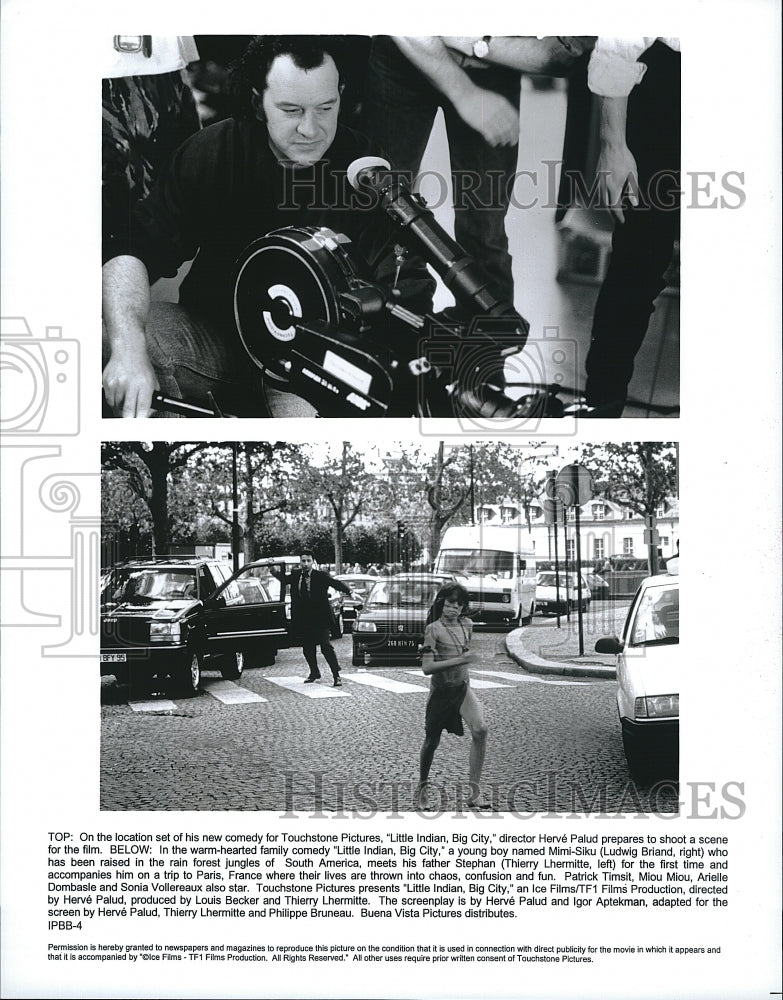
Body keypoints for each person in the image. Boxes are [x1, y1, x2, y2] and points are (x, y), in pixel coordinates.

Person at [102, 35, 434, 418]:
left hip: (311, 371)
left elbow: (410, 290)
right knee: (109, 335)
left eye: (325, 107)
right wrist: (128, 350)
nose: (311, 129)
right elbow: (133, 246)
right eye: (291, 110)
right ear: (258, 101)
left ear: (341, 94)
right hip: (216, 342)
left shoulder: (367, 172)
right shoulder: (214, 150)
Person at [360, 36, 595, 309]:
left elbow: (564, 53)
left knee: (485, 226)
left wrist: (472, 43)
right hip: (405, 49)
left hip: (492, 68)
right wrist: (466, 90)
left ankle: (490, 342)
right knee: (382, 210)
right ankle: (392, 330)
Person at [584, 37, 681, 415]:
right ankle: (602, 410)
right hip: (668, 84)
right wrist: (613, 144)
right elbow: (620, 35)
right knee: (637, 265)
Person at [414, 583, 489, 810]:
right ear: (441, 603)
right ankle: (422, 787)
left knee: (481, 729)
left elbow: (464, 652)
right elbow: (427, 668)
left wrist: (464, 658)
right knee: (431, 741)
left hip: (461, 688)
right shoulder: (433, 629)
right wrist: (461, 660)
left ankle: (474, 792)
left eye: (458, 605)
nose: (453, 609)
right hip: (441, 693)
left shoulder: (467, 625)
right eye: (449, 604)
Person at [287, 551, 352, 686]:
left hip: (320, 618)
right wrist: (273, 571)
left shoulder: (320, 576)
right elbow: (284, 579)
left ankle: (336, 674)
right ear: (300, 562)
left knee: (325, 646)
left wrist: (350, 591)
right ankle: (314, 672)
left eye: (308, 561)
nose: (305, 564)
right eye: (303, 561)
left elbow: (335, 583)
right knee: (308, 648)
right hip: (304, 618)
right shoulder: (296, 575)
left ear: (313, 562)